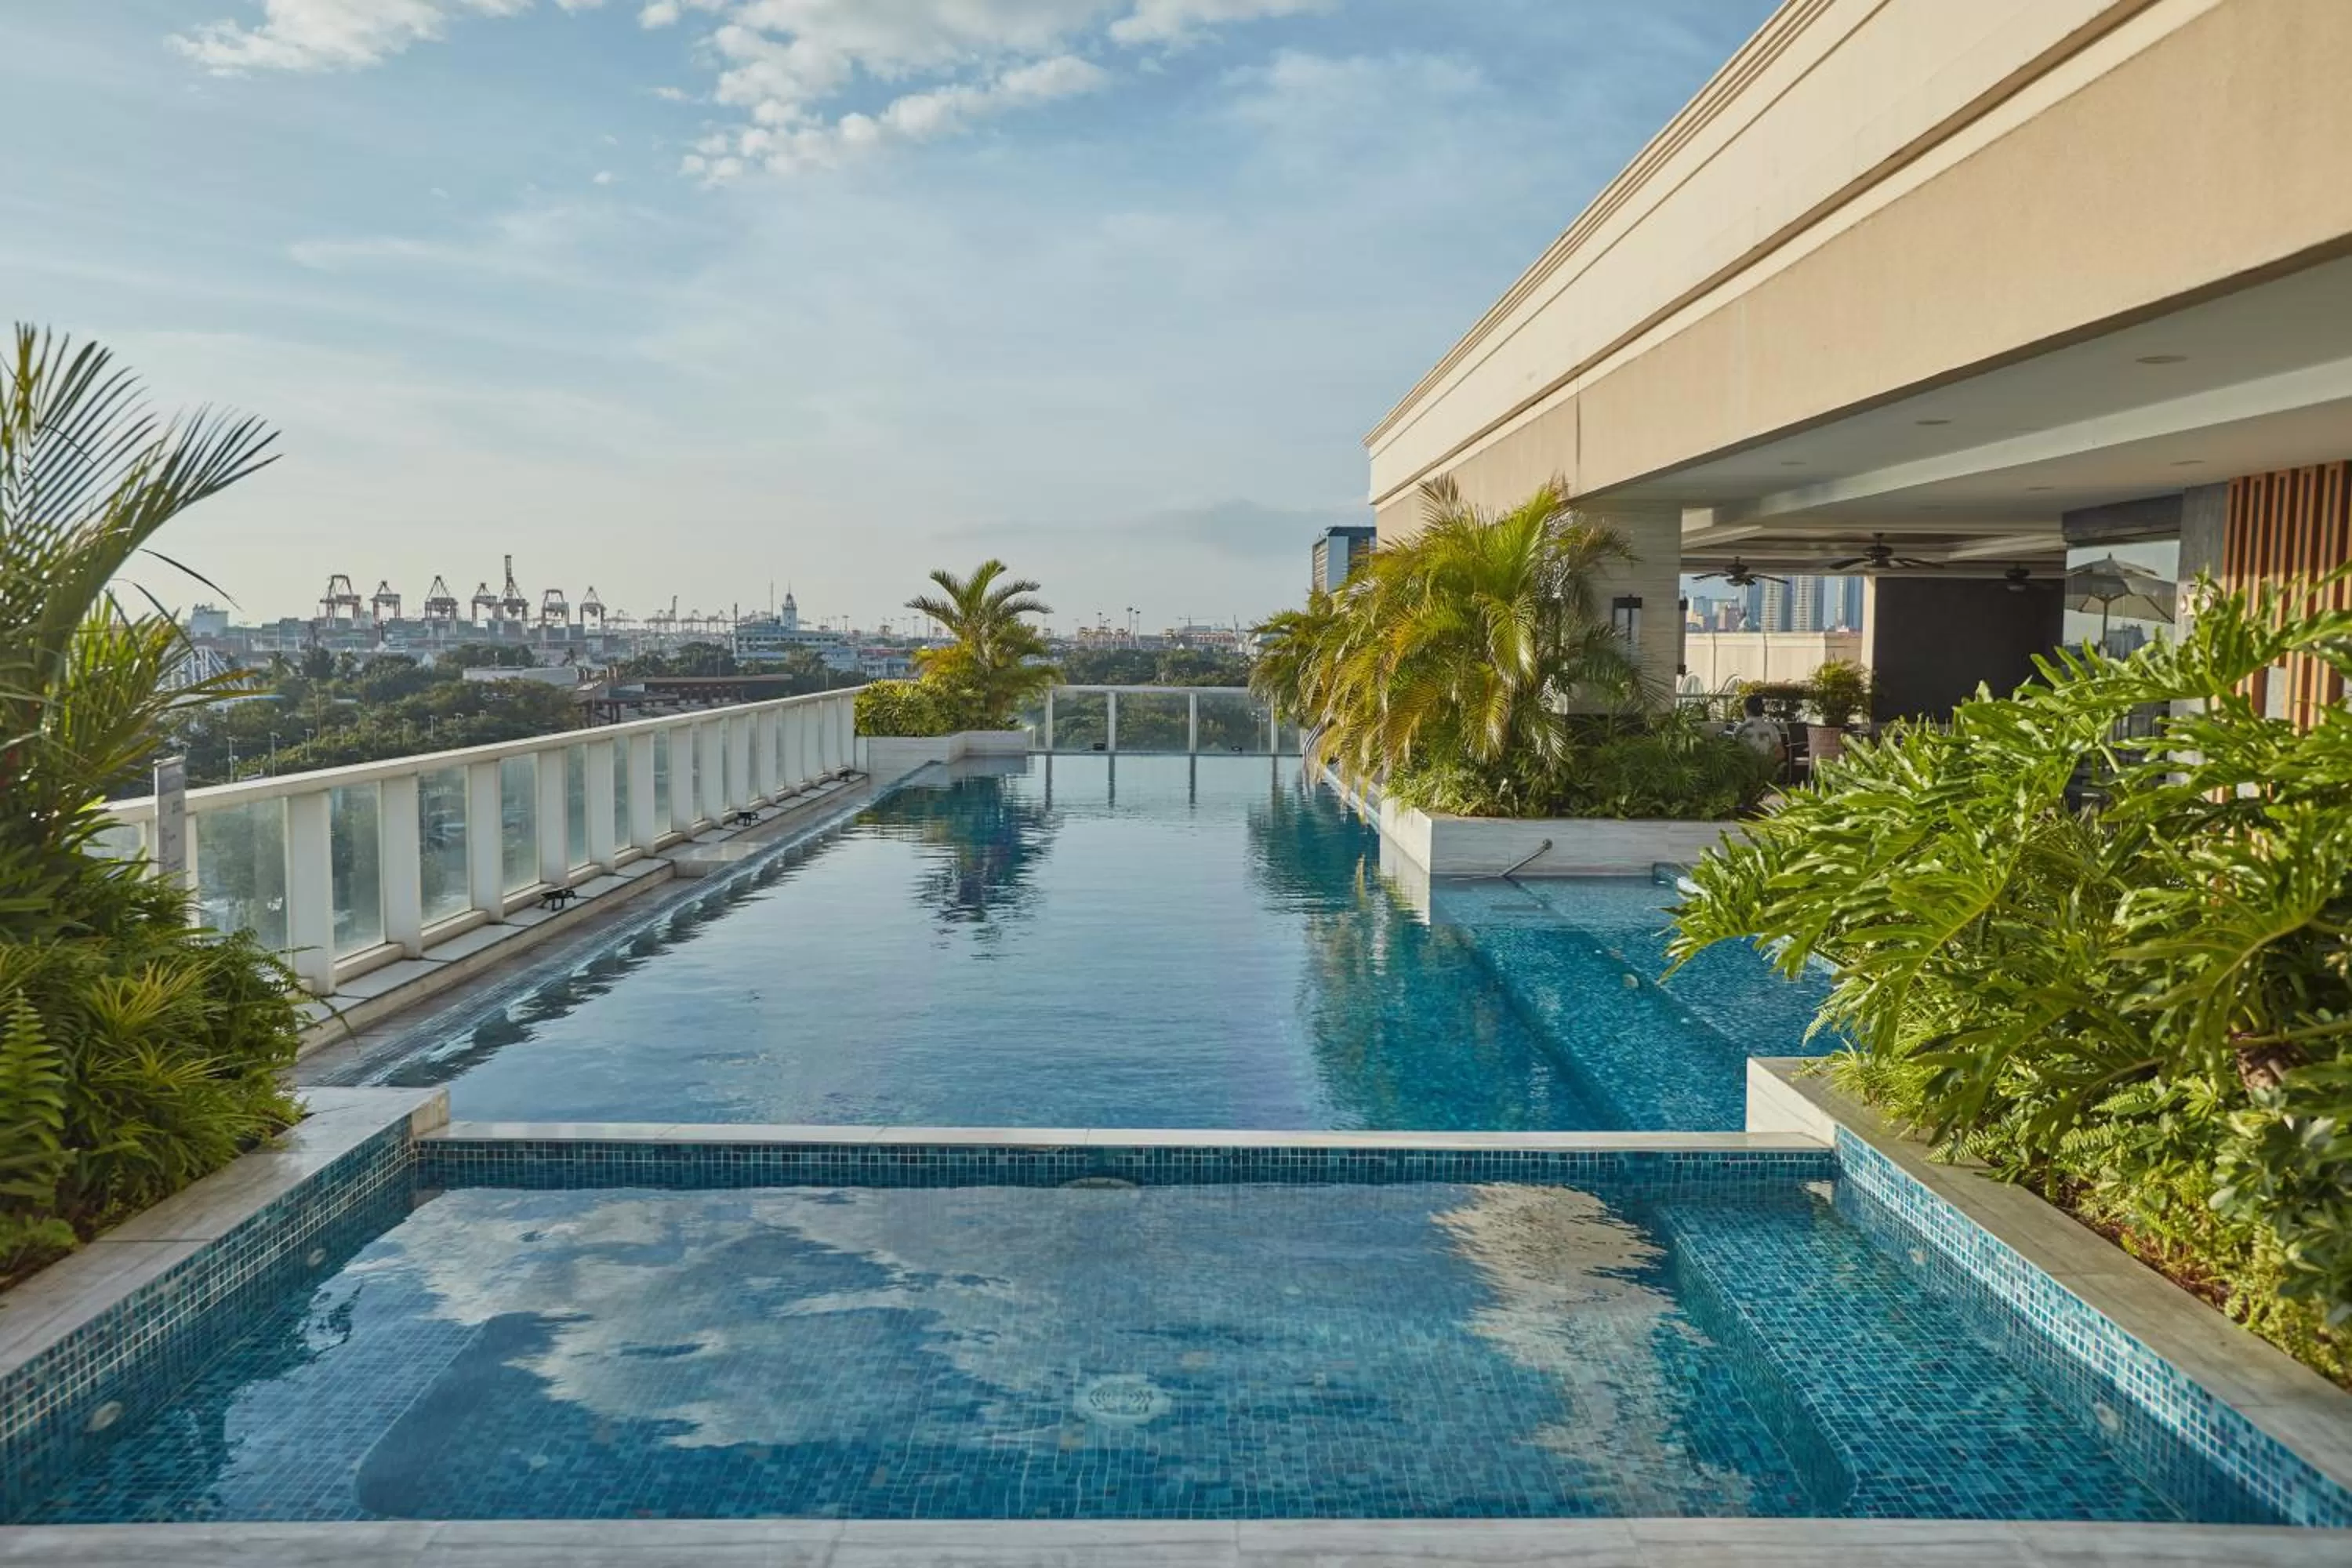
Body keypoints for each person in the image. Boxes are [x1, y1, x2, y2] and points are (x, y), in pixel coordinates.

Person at [1732, 693, 1787, 771]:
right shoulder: (1772, 728)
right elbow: (1781, 753)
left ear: (1746, 710)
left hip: (1745, 772)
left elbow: (1734, 753)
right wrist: (1766, 764)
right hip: (1767, 773)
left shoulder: (1740, 729)